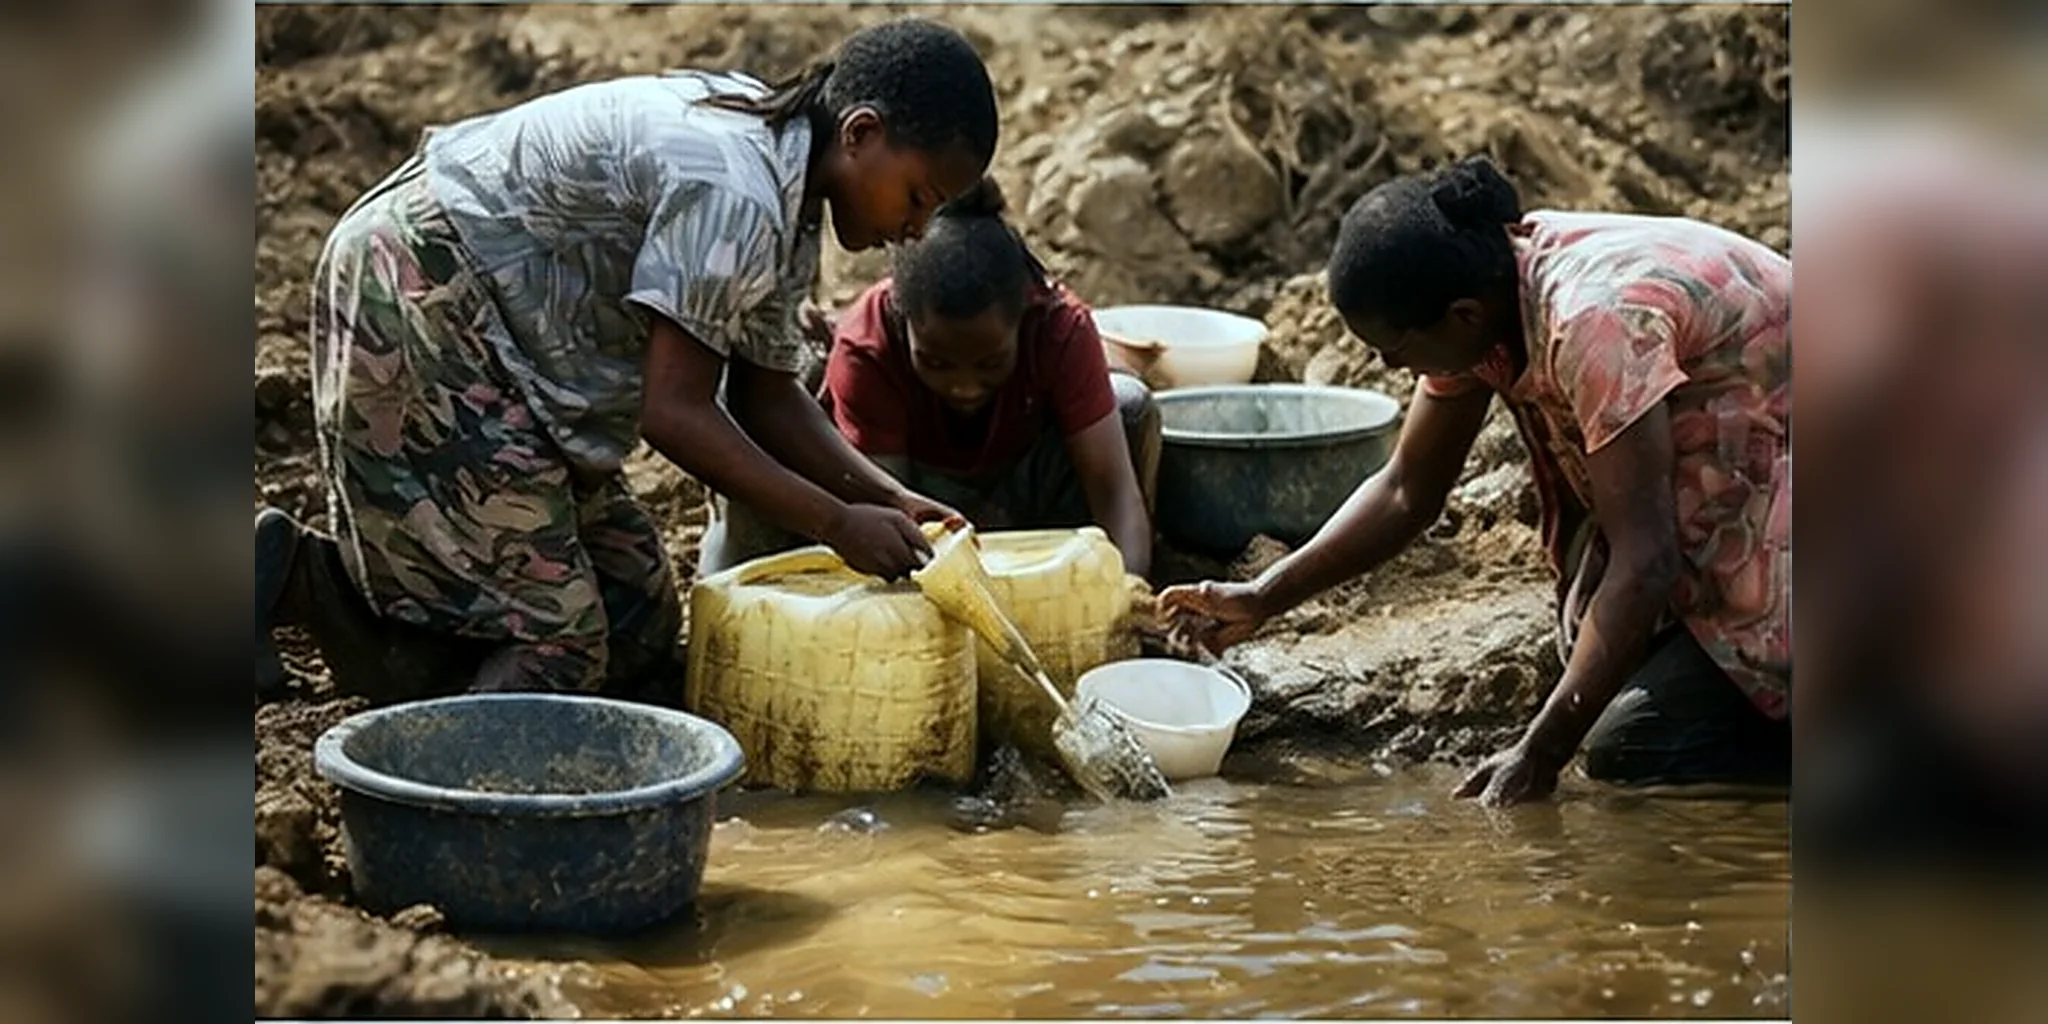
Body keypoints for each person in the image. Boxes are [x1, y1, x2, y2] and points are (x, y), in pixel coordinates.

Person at [254, 18, 998, 702]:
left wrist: (891, 501)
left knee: (636, 620)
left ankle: (317, 593)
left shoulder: (789, 183)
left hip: (515, 344)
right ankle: (452, 790)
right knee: (561, 645)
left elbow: (766, 395)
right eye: (918, 197)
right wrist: (837, 523)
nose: (916, 228)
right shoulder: (736, 187)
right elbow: (675, 414)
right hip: (424, 300)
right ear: (862, 133)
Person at [1160, 156, 1791, 806]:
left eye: (1394, 349)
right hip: (1745, 473)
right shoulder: (1487, 294)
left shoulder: (1593, 323)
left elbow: (1648, 560)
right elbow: (1408, 488)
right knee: (1592, 649)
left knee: (1630, 748)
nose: (1390, 366)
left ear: (1460, 316)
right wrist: (1263, 596)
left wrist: (1539, 754)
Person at [700, 178, 1159, 577]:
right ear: (904, 324)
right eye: (937, 364)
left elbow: (1113, 489)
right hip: (913, 501)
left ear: (1025, 317)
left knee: (1129, 407)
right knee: (757, 406)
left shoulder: (1060, 328)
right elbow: (890, 519)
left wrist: (1127, 589)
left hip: (1019, 499)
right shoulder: (869, 343)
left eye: (990, 364)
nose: (965, 386)